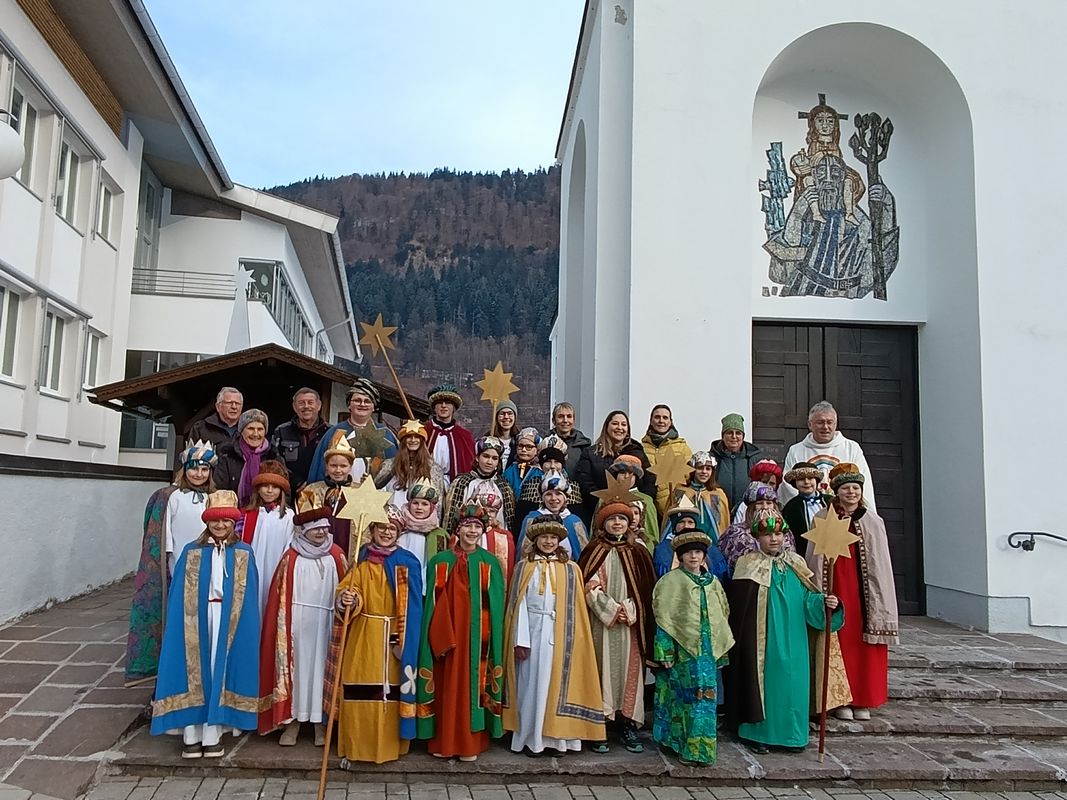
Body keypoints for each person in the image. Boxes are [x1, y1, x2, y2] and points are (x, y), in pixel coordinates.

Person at [150, 491, 260, 759]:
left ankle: (213, 735)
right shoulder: (191, 551)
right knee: (195, 671)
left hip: (228, 619)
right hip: (196, 618)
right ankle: (192, 734)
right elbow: (179, 594)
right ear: (206, 522)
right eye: (215, 521)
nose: (220, 525)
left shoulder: (244, 552)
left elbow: (250, 596)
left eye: (226, 521)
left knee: (218, 669)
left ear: (234, 523)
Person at [727, 514, 844, 754]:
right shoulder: (747, 563)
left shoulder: (796, 562)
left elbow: (807, 600)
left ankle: (793, 736)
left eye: (778, 534)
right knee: (765, 684)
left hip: (796, 638)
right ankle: (758, 733)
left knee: (794, 685)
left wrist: (825, 603)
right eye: (768, 534)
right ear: (757, 537)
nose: (774, 539)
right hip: (763, 639)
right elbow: (741, 610)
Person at [503, 515, 606, 756]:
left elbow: (576, 608)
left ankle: (560, 740)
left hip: (561, 633)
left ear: (559, 541)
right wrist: (521, 639)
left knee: (559, 684)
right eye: (543, 537)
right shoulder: (524, 567)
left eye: (552, 538)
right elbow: (518, 606)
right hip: (532, 633)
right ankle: (531, 738)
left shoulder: (571, 569)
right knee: (532, 684)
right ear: (535, 540)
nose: (548, 542)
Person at [806, 463, 898, 721]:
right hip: (837, 588)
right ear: (837, 491)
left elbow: (880, 561)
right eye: (846, 488)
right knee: (840, 642)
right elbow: (814, 557)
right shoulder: (823, 519)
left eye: (856, 488)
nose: (851, 493)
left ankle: (862, 698)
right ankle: (838, 700)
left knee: (863, 644)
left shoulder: (872, 520)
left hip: (864, 590)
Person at [416, 504, 506, 762]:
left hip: (479, 641)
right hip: (446, 639)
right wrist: (437, 637)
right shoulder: (439, 562)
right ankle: (443, 741)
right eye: (467, 525)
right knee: (445, 686)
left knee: (474, 687)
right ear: (458, 529)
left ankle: (469, 744)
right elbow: (430, 604)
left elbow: (497, 606)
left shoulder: (490, 564)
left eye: (477, 526)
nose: (472, 530)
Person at [258, 496, 347, 746]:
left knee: (321, 671)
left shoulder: (337, 555)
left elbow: (347, 587)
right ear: (304, 530)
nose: (320, 532)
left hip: (326, 623)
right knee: (298, 672)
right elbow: (279, 597)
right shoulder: (291, 557)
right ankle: (293, 722)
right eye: (315, 528)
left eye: (324, 528)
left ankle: (320, 723)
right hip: (296, 625)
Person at [334, 517, 424, 764]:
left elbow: (412, 608)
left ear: (399, 532)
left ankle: (388, 747)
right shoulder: (360, 561)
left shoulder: (407, 563)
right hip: (364, 634)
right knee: (359, 688)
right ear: (372, 530)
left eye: (392, 528)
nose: (386, 532)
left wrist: (401, 640)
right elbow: (348, 590)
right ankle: (357, 746)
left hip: (393, 637)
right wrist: (347, 599)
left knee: (390, 694)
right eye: (381, 527)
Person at [577, 501, 656, 754]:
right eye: (612, 519)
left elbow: (646, 590)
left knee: (628, 671)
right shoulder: (594, 550)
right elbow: (588, 584)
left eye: (622, 518)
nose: (617, 523)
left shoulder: (639, 552)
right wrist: (611, 609)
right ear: (603, 524)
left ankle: (628, 723)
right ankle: (599, 724)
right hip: (601, 624)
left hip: (630, 627)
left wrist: (630, 609)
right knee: (600, 670)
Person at [651, 529, 733, 766]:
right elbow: (663, 618)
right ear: (680, 556)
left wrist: (721, 647)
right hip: (682, 651)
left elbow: (722, 613)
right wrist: (664, 651)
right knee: (682, 699)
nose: (694, 557)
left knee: (705, 700)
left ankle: (701, 750)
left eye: (698, 552)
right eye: (688, 553)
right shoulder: (670, 582)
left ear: (705, 555)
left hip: (707, 651)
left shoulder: (713, 582)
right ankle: (681, 744)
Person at [781, 401, 876, 512]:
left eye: (829, 422)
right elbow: (789, 485)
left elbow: (863, 484)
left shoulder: (851, 448)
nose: (825, 427)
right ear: (810, 424)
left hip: (845, 512)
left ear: (835, 424)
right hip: (808, 512)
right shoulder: (796, 450)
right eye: (820, 422)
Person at [307, 378, 399, 485]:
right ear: (349, 405)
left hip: (375, 496)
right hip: (340, 495)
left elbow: (395, 470)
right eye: (357, 400)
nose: (362, 404)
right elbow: (319, 470)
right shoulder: (335, 433)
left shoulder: (387, 434)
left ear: (373, 407)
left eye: (367, 401)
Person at [576, 411, 655, 524]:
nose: (619, 427)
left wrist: (640, 502)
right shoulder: (591, 453)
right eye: (615, 423)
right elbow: (585, 482)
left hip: (634, 513)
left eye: (623, 424)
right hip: (601, 509)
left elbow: (649, 481)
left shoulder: (637, 452)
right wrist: (604, 501)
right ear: (607, 426)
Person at [237, 460, 294, 615]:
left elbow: (289, 547)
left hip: (275, 572)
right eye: (265, 486)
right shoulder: (246, 515)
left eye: (275, 487)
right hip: (250, 572)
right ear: (257, 489)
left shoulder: (288, 517)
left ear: (281, 490)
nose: (269, 491)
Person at [164, 440, 219, 575]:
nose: (199, 474)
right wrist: (167, 550)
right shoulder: (173, 495)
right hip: (179, 553)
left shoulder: (212, 496)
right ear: (184, 470)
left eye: (204, 470)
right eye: (194, 468)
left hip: (208, 552)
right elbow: (165, 528)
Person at [442, 436, 517, 532]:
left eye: (494, 458)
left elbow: (509, 521)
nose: (490, 462)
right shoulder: (461, 483)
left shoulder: (504, 486)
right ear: (477, 457)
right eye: (486, 456)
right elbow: (451, 517)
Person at [301, 431, 358, 557]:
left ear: (350, 467)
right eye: (333, 465)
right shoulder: (311, 491)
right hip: (319, 553)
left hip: (349, 550)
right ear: (326, 466)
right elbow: (303, 527)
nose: (338, 470)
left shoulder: (360, 492)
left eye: (343, 466)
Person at [719, 483, 797, 572]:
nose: (765, 507)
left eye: (769, 503)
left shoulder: (785, 532)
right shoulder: (735, 532)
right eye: (759, 503)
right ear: (751, 507)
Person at [214, 409, 281, 507]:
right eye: (250, 428)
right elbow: (218, 490)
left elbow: (284, 493)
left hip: (267, 515)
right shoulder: (227, 456)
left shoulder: (274, 457)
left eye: (260, 429)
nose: (255, 434)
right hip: (234, 515)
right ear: (241, 431)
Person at [375, 419, 448, 507]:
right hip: (393, 515)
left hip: (418, 516)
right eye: (409, 437)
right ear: (403, 440)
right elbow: (376, 487)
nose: (413, 440)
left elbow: (437, 501)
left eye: (417, 437)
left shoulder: (433, 468)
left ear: (422, 440)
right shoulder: (390, 464)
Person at [654, 496, 728, 582]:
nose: (686, 526)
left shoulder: (710, 547)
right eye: (681, 522)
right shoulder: (664, 549)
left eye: (690, 522)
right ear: (674, 526)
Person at [593, 455, 659, 551]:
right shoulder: (605, 498)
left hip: (637, 548)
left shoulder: (645, 500)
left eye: (631, 473)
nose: (627, 477)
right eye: (622, 472)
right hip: (608, 547)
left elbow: (653, 534)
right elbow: (596, 528)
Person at [517, 471, 589, 560]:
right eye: (548, 494)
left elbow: (584, 555)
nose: (554, 498)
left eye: (558, 494)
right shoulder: (532, 519)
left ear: (565, 498)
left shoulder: (574, 521)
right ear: (543, 499)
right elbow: (524, 553)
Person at [269, 387, 330, 492]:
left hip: (323, 491)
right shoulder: (281, 431)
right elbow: (275, 462)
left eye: (310, 402)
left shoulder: (330, 432)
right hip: (290, 493)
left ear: (319, 405)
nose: (306, 406)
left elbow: (338, 462)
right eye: (301, 403)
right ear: (294, 407)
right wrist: (297, 483)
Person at [516, 434, 583, 526]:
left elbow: (578, 518)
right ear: (541, 464)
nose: (552, 466)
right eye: (548, 462)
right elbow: (521, 518)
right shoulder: (530, 484)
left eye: (556, 462)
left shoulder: (573, 486)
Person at [394, 479, 450, 589]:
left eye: (424, 504)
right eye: (415, 503)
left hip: (429, 589)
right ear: (409, 504)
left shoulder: (440, 535)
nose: (419, 508)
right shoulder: (399, 531)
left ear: (432, 507)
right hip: (401, 586)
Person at [641, 404, 694, 518]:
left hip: (674, 507)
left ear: (671, 421)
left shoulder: (682, 447)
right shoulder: (642, 448)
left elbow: (690, 476)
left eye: (665, 418)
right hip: (648, 508)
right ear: (651, 420)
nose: (661, 421)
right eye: (657, 417)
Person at [709, 414, 763, 513]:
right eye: (729, 433)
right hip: (717, 510)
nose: (734, 437)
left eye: (738, 433)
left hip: (746, 512)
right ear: (723, 436)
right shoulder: (711, 458)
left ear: (743, 436)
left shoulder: (755, 458)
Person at [424, 383, 476, 483]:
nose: (443, 406)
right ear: (434, 407)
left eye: (447, 403)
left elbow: (469, 465)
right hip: (426, 483)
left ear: (454, 407)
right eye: (440, 402)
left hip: (453, 485)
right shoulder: (424, 431)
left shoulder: (464, 436)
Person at [780, 462, 831, 558]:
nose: (806, 482)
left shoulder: (830, 501)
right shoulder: (791, 508)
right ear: (795, 483)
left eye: (810, 478)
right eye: (801, 479)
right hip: (806, 554)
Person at [470, 482, 517, 585]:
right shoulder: (464, 534)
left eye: (492, 511)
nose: (487, 514)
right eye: (484, 510)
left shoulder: (505, 537)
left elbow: (508, 570)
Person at [731, 459, 784, 524]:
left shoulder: (780, 506)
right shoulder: (744, 506)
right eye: (764, 482)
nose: (767, 487)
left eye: (772, 483)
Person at [549, 401, 591, 478]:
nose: (565, 420)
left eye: (569, 416)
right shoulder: (545, 443)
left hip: (576, 488)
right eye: (561, 416)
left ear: (573, 420)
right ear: (553, 420)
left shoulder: (584, 444)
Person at [503, 427, 540, 499]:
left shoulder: (540, 472)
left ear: (536, 450)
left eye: (528, 447)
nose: (523, 450)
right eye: (520, 446)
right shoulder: (510, 471)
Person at [488, 400, 520, 467]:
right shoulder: (487, 440)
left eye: (510, 413)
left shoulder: (520, 440)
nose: (506, 417)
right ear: (496, 417)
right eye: (502, 414)